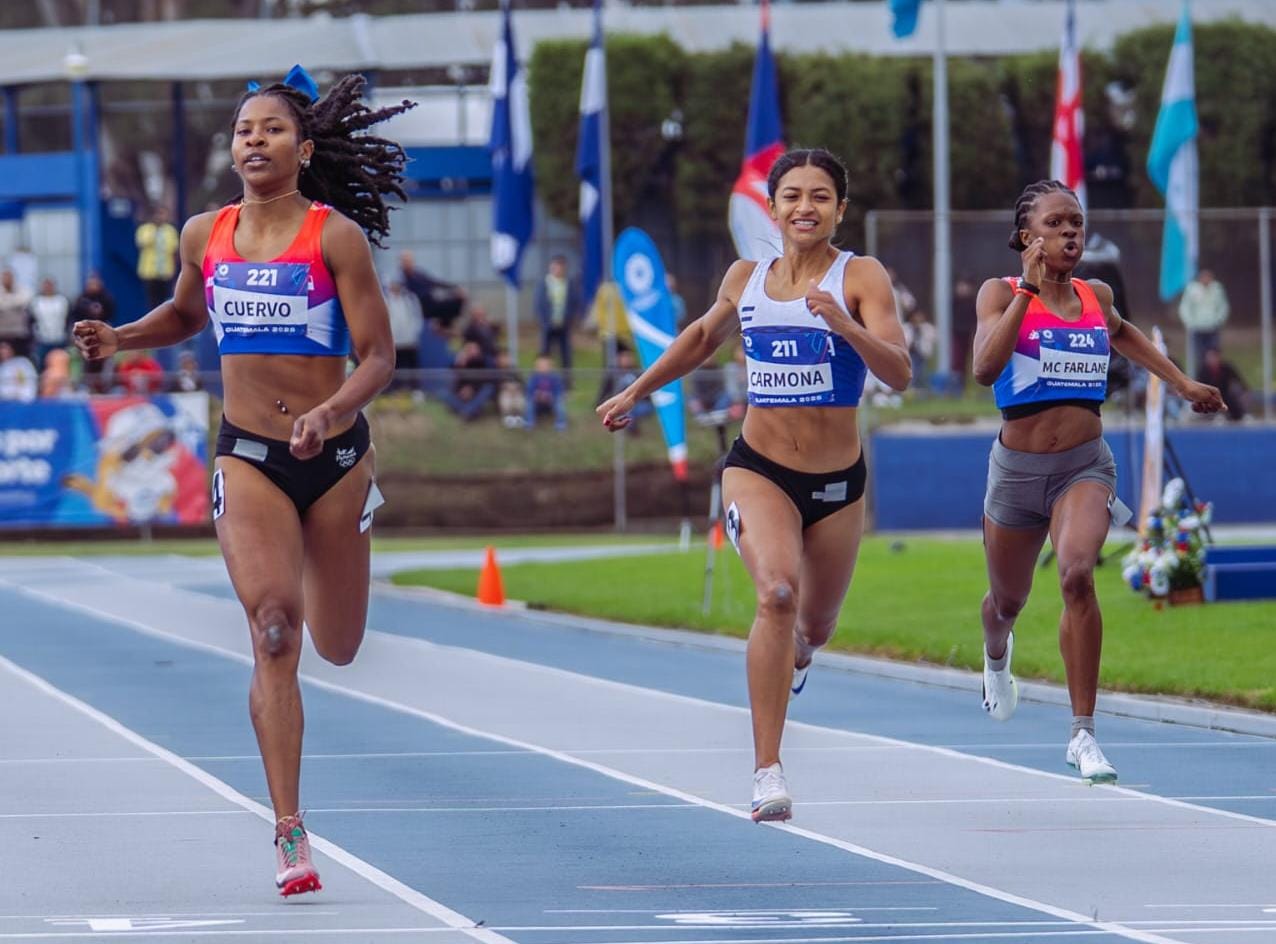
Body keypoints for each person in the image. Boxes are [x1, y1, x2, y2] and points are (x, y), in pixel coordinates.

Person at [72, 68, 410, 896]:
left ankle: (336, 538)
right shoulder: (203, 233)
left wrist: (331, 414)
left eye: (271, 129)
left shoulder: (334, 238)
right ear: (231, 149)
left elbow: (378, 356)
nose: (254, 140)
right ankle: (290, 830)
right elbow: (189, 316)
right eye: (243, 130)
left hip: (332, 462)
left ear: (304, 147)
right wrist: (121, 337)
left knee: (338, 644)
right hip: (249, 455)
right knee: (272, 631)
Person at [597, 148, 910, 822]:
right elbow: (699, 338)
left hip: (837, 483)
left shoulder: (862, 277)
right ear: (771, 208)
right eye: (792, 195)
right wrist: (637, 390)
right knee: (777, 593)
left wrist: (845, 324)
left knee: (815, 626)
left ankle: (797, 653)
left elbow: (901, 371)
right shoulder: (748, 277)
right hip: (759, 469)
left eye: (820, 196)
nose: (806, 207)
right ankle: (768, 769)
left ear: (840, 209)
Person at [972, 180, 1224, 785]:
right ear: (1026, 236)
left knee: (1078, 573)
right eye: (1057, 224)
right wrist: (1026, 292)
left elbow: (1123, 331)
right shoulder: (1000, 293)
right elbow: (984, 368)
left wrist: (1182, 383)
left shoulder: (1094, 294)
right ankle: (996, 656)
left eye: (1077, 224)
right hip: (1016, 470)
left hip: (1085, 465)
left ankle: (1083, 733)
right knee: (1007, 601)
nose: (1071, 234)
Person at [534, 254, 581, 375]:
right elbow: (539, 303)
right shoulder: (544, 283)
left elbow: (574, 303)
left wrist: (570, 319)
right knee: (545, 353)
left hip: (563, 325)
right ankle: (543, 378)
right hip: (547, 324)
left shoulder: (569, 284)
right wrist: (544, 321)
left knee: (565, 355)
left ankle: (566, 381)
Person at [1177, 268, 1229, 375]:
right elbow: (1185, 307)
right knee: (1199, 355)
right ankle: (1201, 377)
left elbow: (1223, 306)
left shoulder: (1217, 289)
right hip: (1197, 328)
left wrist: (1219, 320)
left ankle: (1214, 376)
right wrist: (1189, 322)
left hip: (1212, 327)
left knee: (1214, 354)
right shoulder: (1192, 289)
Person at [71, 274, 116, 393]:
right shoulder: (81, 299)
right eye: (91, 284)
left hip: (102, 333)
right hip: (84, 333)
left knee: (106, 359)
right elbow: (75, 316)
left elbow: (111, 313)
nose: (93, 286)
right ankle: (83, 385)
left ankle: (106, 386)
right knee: (84, 358)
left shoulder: (106, 298)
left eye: (95, 284)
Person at [136, 205, 181, 312]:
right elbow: (142, 243)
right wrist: (154, 231)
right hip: (150, 272)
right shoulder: (145, 229)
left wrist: (175, 270)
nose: (160, 217)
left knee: (165, 300)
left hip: (165, 272)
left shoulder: (170, 231)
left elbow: (174, 250)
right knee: (152, 300)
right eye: (158, 214)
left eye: (163, 214)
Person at [384, 278, 424, 390]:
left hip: (410, 341)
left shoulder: (410, 299)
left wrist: (414, 334)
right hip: (393, 343)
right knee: (392, 369)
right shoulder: (385, 299)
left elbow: (417, 317)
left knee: (412, 368)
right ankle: (391, 392)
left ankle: (415, 391)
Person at [30, 277, 73, 373]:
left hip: (60, 339)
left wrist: (68, 335)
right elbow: (31, 321)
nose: (48, 287)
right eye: (46, 285)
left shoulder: (63, 301)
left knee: (62, 364)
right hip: (42, 340)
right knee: (42, 365)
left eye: (50, 285)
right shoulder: (36, 302)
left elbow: (69, 319)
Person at [1196, 348, 1248, 421]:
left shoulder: (1226, 368)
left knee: (1233, 401)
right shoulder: (1203, 370)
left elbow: (1239, 380)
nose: (1212, 360)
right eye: (1210, 357)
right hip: (1209, 397)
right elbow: (1198, 385)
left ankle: (1240, 417)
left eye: (1214, 357)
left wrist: (1244, 392)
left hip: (1225, 395)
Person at [525, 354, 568, 431]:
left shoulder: (555, 377)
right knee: (529, 402)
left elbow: (559, 390)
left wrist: (551, 395)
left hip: (551, 400)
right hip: (537, 400)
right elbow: (529, 390)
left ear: (551, 366)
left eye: (545, 365)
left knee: (559, 402)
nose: (543, 367)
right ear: (536, 367)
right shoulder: (533, 377)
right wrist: (537, 394)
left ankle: (561, 423)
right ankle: (529, 422)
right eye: (540, 365)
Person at [0, 268, 33, 360]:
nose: (7, 279)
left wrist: (5, 303)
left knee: (20, 361)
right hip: (2, 334)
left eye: (9, 277)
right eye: (4, 277)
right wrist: (14, 304)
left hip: (19, 335)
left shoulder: (22, 290)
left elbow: (25, 300)